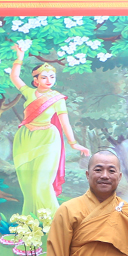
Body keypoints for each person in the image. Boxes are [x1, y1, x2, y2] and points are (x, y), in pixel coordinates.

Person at [9, 45, 91, 218]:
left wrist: (73, 144)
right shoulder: (29, 93)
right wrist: (20, 56)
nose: (48, 80)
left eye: (52, 77)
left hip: (48, 139)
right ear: (36, 80)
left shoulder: (57, 99)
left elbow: (65, 123)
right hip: (25, 138)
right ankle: (30, 219)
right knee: (27, 183)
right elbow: (14, 77)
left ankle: (54, 220)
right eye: (44, 77)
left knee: (41, 182)